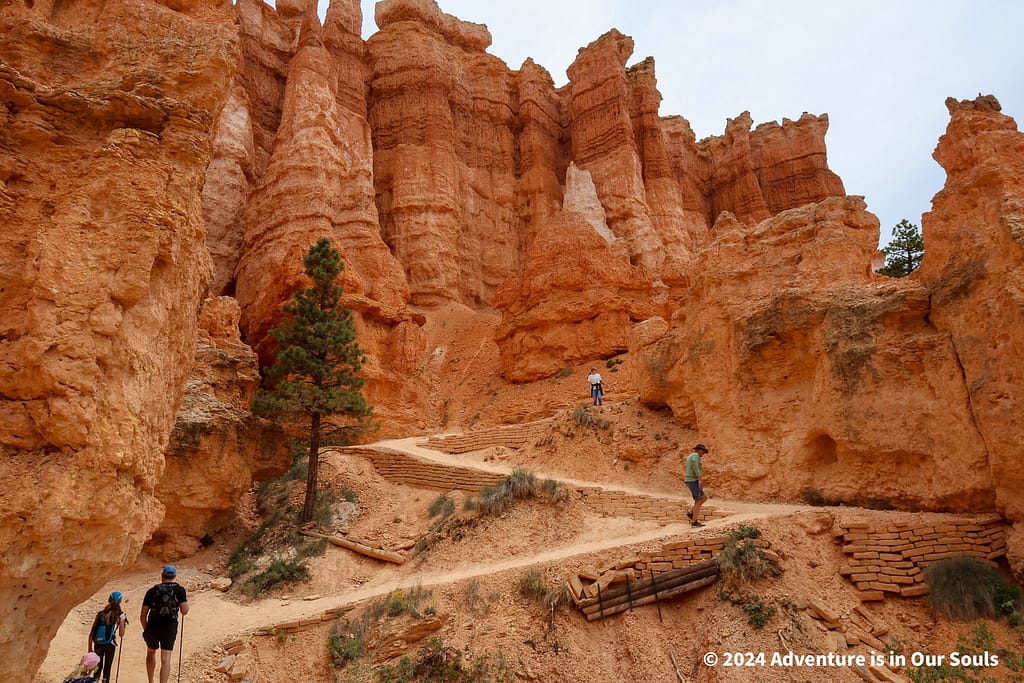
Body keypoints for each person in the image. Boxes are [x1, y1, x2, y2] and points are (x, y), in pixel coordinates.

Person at [141, 565, 189, 683]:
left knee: (151, 652)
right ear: (174, 576)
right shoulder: (180, 590)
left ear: (162, 575)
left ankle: (151, 681)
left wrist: (147, 630)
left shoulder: (151, 591)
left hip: (153, 626)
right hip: (170, 626)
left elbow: (143, 615)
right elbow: (184, 611)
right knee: (166, 659)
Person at [89, 591, 128, 683]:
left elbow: (91, 632)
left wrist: (90, 648)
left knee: (98, 668)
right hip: (110, 644)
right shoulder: (120, 615)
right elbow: (121, 634)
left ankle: (95, 680)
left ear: (109, 600)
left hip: (98, 644)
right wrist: (123, 622)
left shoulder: (100, 614)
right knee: (107, 668)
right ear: (120, 601)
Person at [684, 443, 709, 527]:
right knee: (699, 499)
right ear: (700, 450)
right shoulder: (695, 456)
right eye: (703, 452)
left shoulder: (691, 456)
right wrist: (699, 480)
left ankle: (691, 513)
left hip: (690, 479)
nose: (703, 454)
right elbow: (695, 467)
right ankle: (694, 522)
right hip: (693, 480)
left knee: (704, 497)